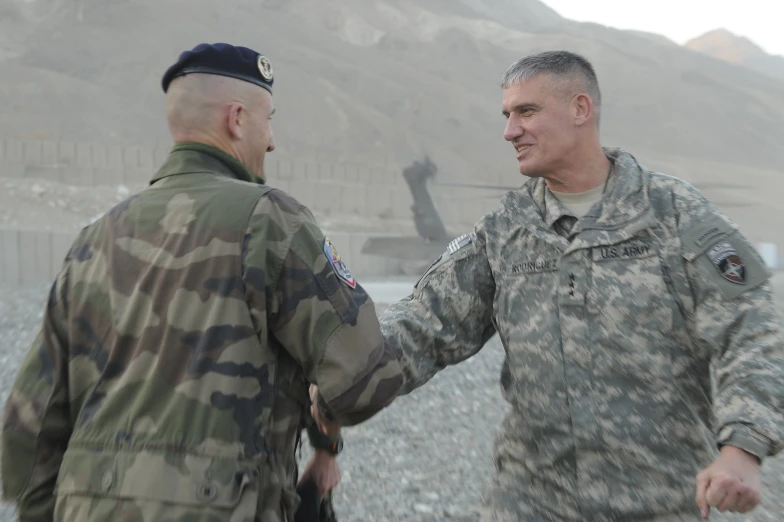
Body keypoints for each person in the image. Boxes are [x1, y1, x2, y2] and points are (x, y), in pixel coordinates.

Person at [356, 50, 784, 521]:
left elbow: (753, 331)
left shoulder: (675, 215)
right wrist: (341, 372)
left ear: (580, 109)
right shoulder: (505, 230)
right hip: (531, 502)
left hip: (660, 503)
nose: (509, 131)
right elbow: (424, 323)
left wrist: (742, 447)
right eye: (507, 115)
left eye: (527, 111)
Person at [0, 42, 403, 522]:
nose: (272, 140)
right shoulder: (273, 221)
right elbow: (364, 380)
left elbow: (30, 425)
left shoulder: (94, 237)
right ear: (236, 119)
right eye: (268, 119)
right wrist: (326, 436)